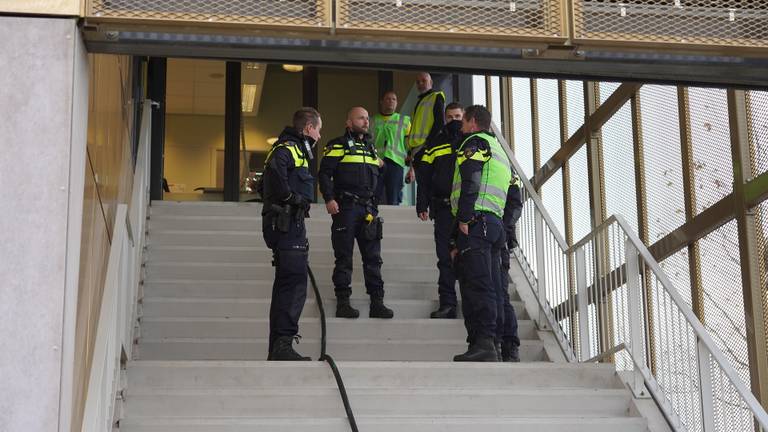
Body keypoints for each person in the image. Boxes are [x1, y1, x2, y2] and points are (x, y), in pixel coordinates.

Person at [319, 107, 394, 320]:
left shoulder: (371, 148)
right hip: (346, 208)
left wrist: (375, 203)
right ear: (348, 123)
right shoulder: (337, 145)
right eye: (361, 118)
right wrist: (329, 198)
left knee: (373, 258)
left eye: (368, 118)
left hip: (368, 210)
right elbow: (324, 173)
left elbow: (381, 174)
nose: (366, 121)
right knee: (344, 257)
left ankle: (377, 303)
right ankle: (343, 303)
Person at [449, 105, 512, 362]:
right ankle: (494, 343)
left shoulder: (475, 143)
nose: (461, 127)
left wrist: (463, 218)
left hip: (476, 221)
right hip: (494, 223)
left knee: (477, 284)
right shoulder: (500, 150)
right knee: (494, 287)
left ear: (473, 122)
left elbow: (471, 180)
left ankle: (483, 342)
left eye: (463, 121)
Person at [261, 107, 322, 361]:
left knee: (287, 283)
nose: (319, 135)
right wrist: (291, 197)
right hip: (286, 222)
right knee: (294, 284)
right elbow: (277, 172)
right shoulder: (287, 148)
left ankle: (278, 346)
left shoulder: (293, 149)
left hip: (289, 223)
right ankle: (282, 345)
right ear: (308, 128)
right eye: (318, 129)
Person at [416, 102, 464, 318]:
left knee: (468, 258)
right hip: (444, 209)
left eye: (458, 116)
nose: (454, 120)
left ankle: (471, 305)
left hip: (467, 209)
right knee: (445, 258)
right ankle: (448, 304)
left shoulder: (471, 141)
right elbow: (424, 177)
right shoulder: (435, 143)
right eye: (450, 117)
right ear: (444, 119)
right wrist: (421, 204)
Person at [497, 173, 524, 362]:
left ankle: (509, 345)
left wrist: (502, 229)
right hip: (483, 236)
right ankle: (496, 342)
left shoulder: (505, 169)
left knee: (501, 294)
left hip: (498, 240)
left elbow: (515, 204)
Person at [371, 91, 411, 205]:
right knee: (374, 195)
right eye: (388, 99)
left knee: (394, 197)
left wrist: (412, 168)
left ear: (397, 103)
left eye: (394, 99)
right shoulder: (372, 121)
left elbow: (410, 145)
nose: (391, 101)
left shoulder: (405, 120)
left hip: (396, 163)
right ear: (381, 102)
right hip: (376, 162)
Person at [406, 72, 445, 184]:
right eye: (418, 82)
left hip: (425, 148)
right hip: (417, 150)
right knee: (422, 185)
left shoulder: (436, 96)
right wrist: (410, 152)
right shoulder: (419, 102)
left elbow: (439, 123)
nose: (421, 84)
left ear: (431, 82)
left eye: (424, 81)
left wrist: (429, 143)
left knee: (426, 185)